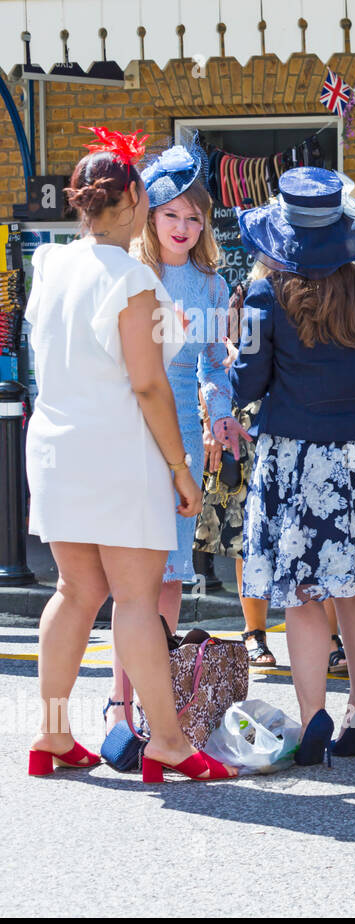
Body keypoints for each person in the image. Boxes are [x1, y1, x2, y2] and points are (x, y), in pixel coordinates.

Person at [26, 127, 234, 781]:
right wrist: (180, 467)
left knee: (75, 589)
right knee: (139, 598)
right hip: (118, 452)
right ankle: (168, 740)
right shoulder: (132, 279)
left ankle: (53, 731)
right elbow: (147, 383)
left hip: (56, 446)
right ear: (137, 198)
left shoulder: (51, 265)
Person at [233, 166, 355, 765]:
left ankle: (314, 717)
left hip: (297, 459)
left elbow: (248, 379)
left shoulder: (264, 296)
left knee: (302, 597)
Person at [100, 143, 246, 733]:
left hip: (184, 434)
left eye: (194, 217)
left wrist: (223, 415)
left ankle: (157, 711)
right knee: (133, 578)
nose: (184, 227)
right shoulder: (129, 276)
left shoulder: (212, 285)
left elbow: (214, 367)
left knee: (168, 577)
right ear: (149, 216)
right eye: (171, 214)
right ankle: (120, 703)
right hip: (130, 430)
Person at [194, 261, 278, 668]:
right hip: (244, 422)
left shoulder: (315, 286)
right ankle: (254, 632)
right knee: (248, 534)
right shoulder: (242, 297)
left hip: (290, 417)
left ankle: (328, 636)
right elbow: (209, 364)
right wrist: (212, 421)